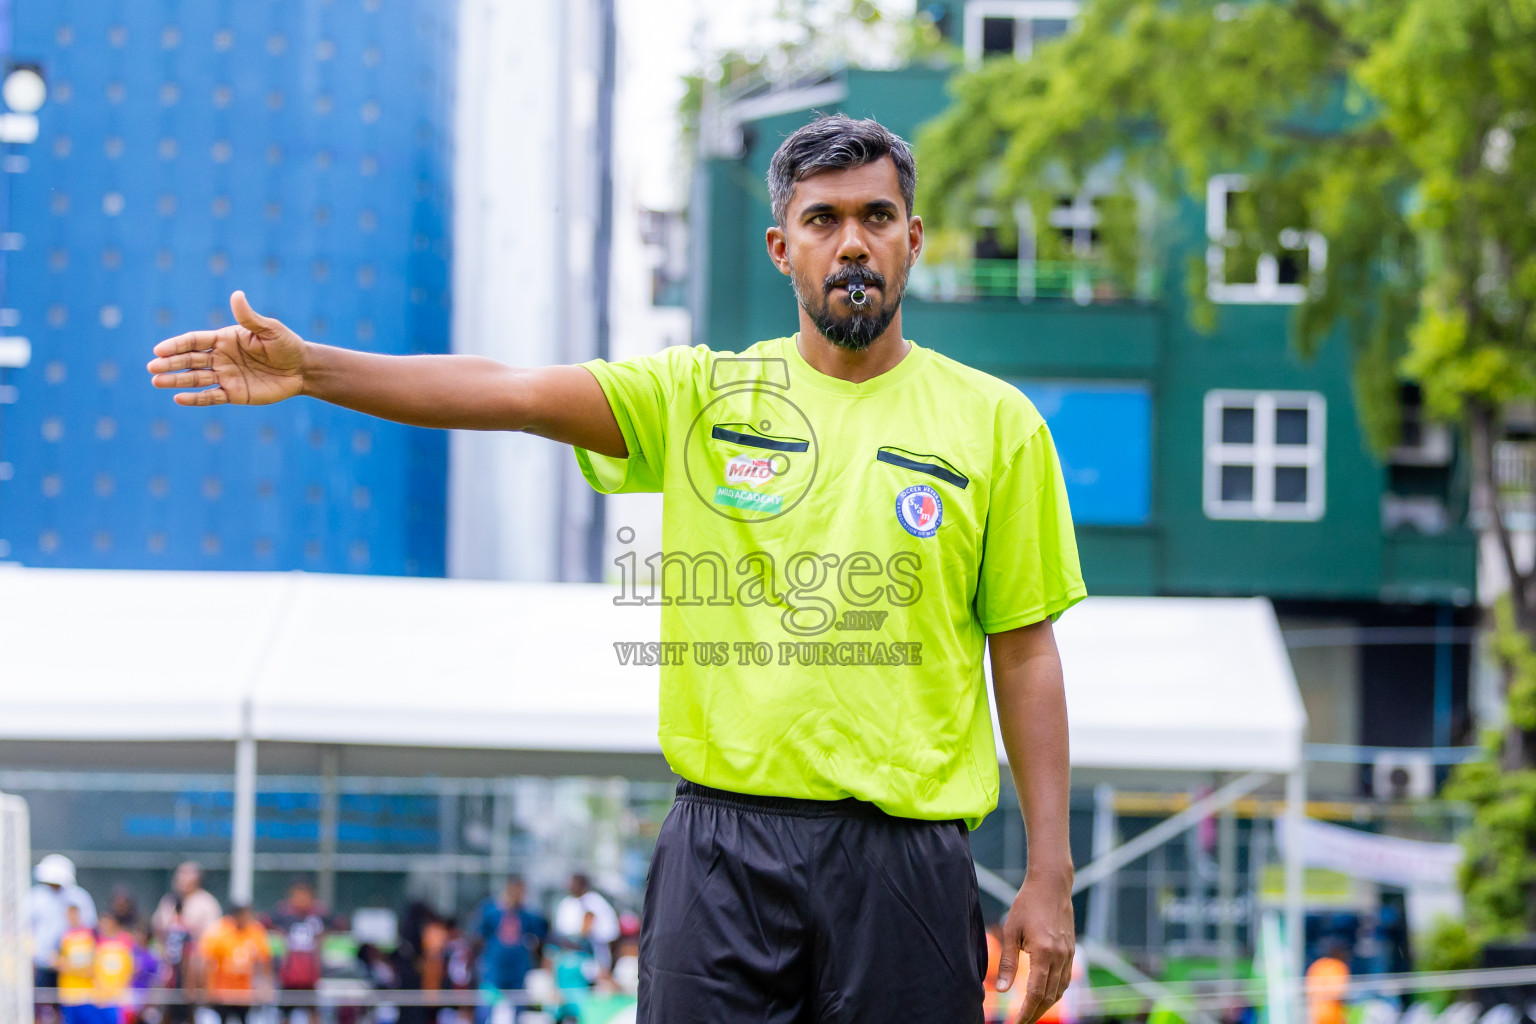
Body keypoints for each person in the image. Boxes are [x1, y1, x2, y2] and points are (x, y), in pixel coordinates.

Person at [145, 112, 1083, 1024]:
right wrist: (317, 369)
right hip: (725, 855)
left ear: (912, 240)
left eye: (875, 218)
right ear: (779, 247)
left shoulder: (995, 426)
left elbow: (1026, 651)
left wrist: (1050, 871)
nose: (852, 244)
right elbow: (508, 392)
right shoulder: (700, 398)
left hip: (908, 864)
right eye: (823, 220)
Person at [150, 862, 222, 1024]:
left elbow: (212, 938)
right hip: (170, 967)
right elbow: (158, 930)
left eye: (186, 875)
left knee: (192, 1010)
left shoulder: (206, 902)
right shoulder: (169, 901)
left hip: (194, 969)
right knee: (166, 1010)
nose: (181, 880)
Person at [31, 855, 98, 1024]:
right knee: (42, 1006)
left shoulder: (79, 897)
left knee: (69, 1011)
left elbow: (90, 931)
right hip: (44, 963)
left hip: (74, 969)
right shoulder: (36, 897)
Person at [472, 878, 548, 1014]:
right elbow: (479, 934)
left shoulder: (527, 914)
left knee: (517, 1010)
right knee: (486, 1009)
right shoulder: (492, 910)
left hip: (518, 970)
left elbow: (542, 932)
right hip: (494, 970)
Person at [194, 905, 273, 1024]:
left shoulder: (255, 931)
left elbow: (264, 960)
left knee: (244, 1019)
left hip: (245, 993)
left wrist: (264, 986)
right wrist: (208, 988)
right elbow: (208, 961)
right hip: (223, 991)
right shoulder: (221, 932)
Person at [266, 880, 330, 1024]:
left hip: (310, 974)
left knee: (313, 1011)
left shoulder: (318, 914)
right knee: (285, 1013)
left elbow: (328, 932)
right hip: (289, 974)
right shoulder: (283, 914)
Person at [551, 876, 618, 972]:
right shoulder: (566, 903)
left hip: (594, 951)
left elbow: (609, 930)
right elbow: (561, 930)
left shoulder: (595, 901)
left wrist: (588, 932)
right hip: (571, 952)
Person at [92, 912, 138, 1024]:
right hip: (102, 995)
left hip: (120, 995)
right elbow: (95, 967)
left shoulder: (125, 940)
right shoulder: (98, 942)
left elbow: (132, 966)